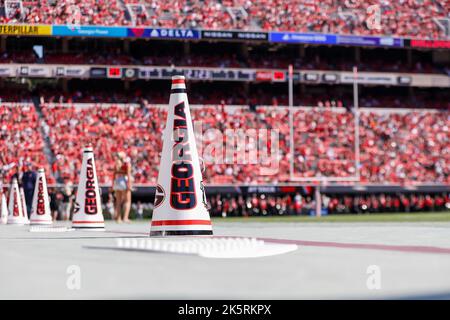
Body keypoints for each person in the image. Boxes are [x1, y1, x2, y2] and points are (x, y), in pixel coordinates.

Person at [111, 152, 132, 223]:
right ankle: (125, 218)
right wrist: (129, 184)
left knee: (118, 202)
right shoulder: (126, 164)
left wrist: (112, 185)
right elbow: (128, 175)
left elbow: (113, 175)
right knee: (127, 201)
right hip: (124, 180)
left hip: (117, 181)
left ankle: (118, 218)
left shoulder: (116, 164)